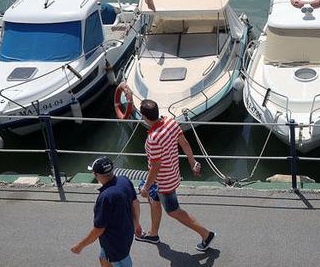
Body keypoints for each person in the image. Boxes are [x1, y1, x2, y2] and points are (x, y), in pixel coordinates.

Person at [135, 99, 216, 252]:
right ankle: (153, 234)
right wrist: (192, 163)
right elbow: (184, 143)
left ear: (144, 116)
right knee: (154, 200)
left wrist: (146, 186)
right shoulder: (170, 122)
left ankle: (206, 234)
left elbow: (155, 166)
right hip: (172, 175)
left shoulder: (153, 139)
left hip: (163, 182)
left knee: (174, 211)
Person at [71, 157, 140, 267]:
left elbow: (98, 229)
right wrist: (136, 224)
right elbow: (135, 203)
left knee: (121, 262)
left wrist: (80, 246)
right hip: (125, 234)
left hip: (114, 244)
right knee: (103, 258)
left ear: (95, 174)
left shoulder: (106, 197)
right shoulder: (124, 180)